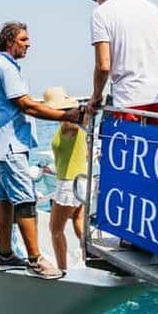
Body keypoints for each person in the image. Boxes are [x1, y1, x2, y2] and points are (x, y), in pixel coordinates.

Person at [0, 21, 83, 279]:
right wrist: (65, 115)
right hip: (11, 145)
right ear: (10, 41)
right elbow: (27, 105)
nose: (28, 44)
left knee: (4, 200)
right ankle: (36, 259)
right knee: (26, 201)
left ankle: (5, 255)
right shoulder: (6, 68)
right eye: (24, 39)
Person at [86, 0, 158, 124]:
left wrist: (96, 96)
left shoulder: (100, 13)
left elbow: (103, 65)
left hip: (131, 98)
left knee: (129, 147)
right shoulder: (152, 7)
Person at [44, 87, 87, 270]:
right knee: (78, 221)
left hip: (69, 183)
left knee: (55, 229)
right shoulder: (68, 124)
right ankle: (90, 259)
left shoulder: (70, 124)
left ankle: (63, 269)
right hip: (81, 180)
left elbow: (81, 119)